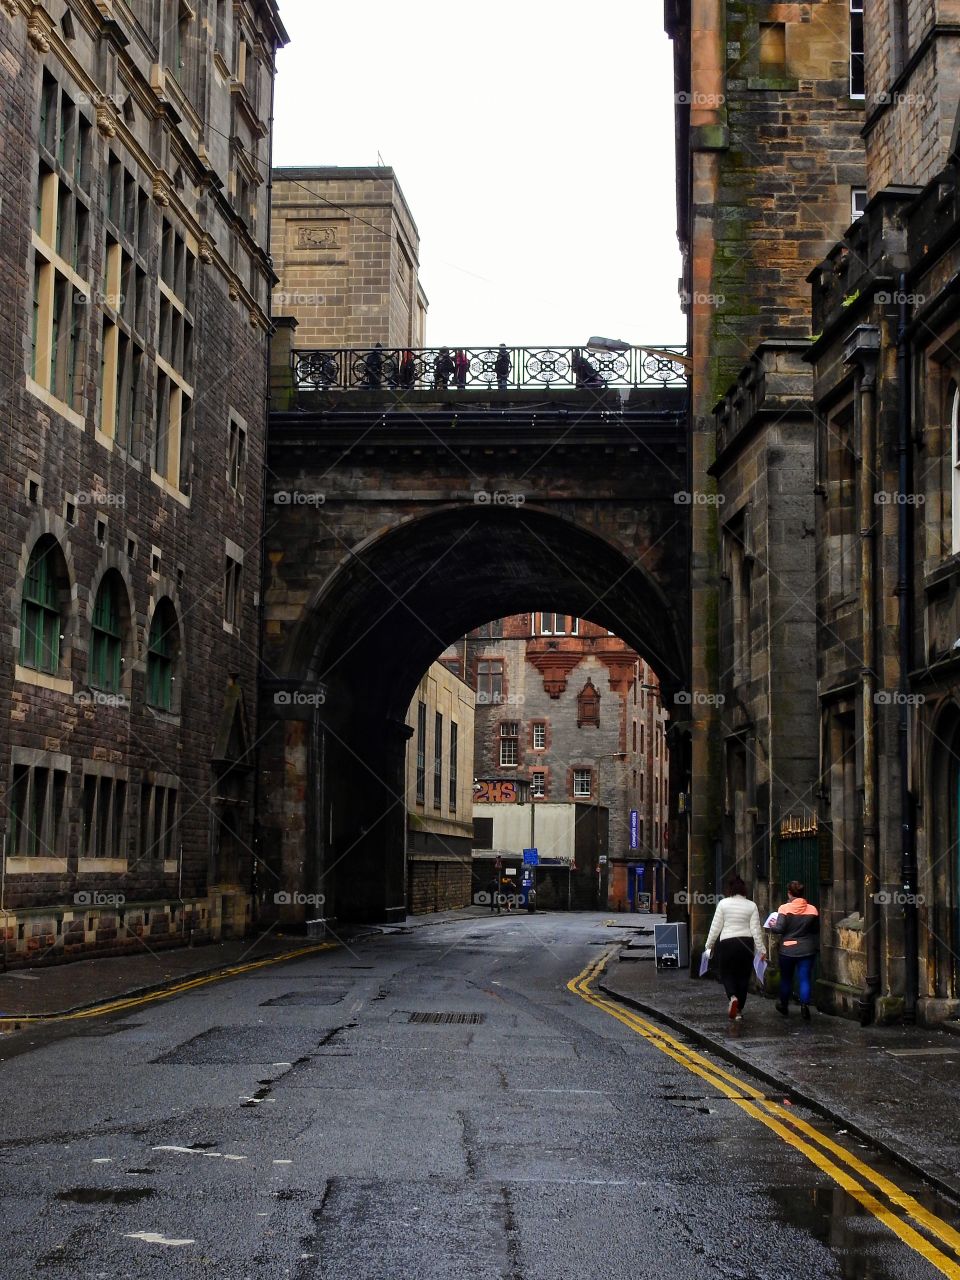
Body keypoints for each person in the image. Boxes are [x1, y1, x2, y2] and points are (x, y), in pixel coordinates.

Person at [703, 875, 765, 1021]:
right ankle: (739, 1010)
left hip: (727, 943)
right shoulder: (752, 905)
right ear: (744, 890)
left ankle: (732, 996)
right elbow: (756, 930)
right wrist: (762, 950)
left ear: (729, 889)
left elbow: (715, 927)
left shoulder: (723, 904)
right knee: (743, 976)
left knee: (727, 973)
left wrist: (709, 945)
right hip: (746, 943)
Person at [768, 880, 820, 1020]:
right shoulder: (813, 910)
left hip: (788, 950)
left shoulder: (784, 909)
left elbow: (779, 929)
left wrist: (772, 925)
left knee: (786, 979)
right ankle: (804, 1005)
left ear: (789, 893)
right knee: (804, 978)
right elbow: (815, 930)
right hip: (807, 949)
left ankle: (784, 1005)